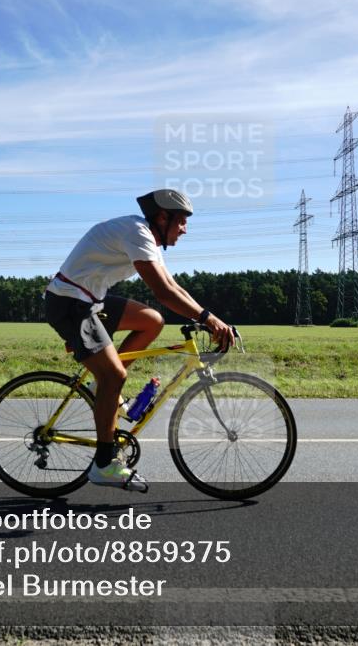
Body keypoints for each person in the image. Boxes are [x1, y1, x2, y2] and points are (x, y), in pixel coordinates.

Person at [44, 189, 234, 491]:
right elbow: (163, 292)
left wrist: (210, 317)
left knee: (152, 321)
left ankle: (101, 387)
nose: (185, 229)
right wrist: (208, 319)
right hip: (69, 303)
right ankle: (104, 465)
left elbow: (174, 286)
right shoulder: (138, 233)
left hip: (90, 300)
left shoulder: (147, 238)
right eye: (182, 221)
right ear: (163, 217)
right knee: (115, 376)